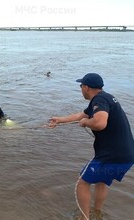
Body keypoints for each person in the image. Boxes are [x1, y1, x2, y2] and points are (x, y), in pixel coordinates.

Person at [49, 73, 134, 220]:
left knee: (82, 182)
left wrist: (86, 123)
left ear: (86, 87)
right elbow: (80, 115)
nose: (81, 89)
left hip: (112, 156)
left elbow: (100, 123)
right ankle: (97, 213)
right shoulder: (106, 98)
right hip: (127, 156)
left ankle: (84, 218)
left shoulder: (99, 100)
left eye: (81, 86)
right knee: (101, 182)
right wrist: (59, 120)